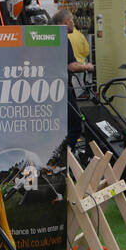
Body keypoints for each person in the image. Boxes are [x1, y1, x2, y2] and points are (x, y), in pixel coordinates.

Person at [56, 9, 94, 150]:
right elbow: (71, 66)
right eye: (72, 20)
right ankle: (67, 157)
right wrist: (87, 67)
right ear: (66, 22)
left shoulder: (49, 36)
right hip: (63, 87)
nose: (74, 23)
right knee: (75, 124)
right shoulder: (62, 38)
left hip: (52, 87)